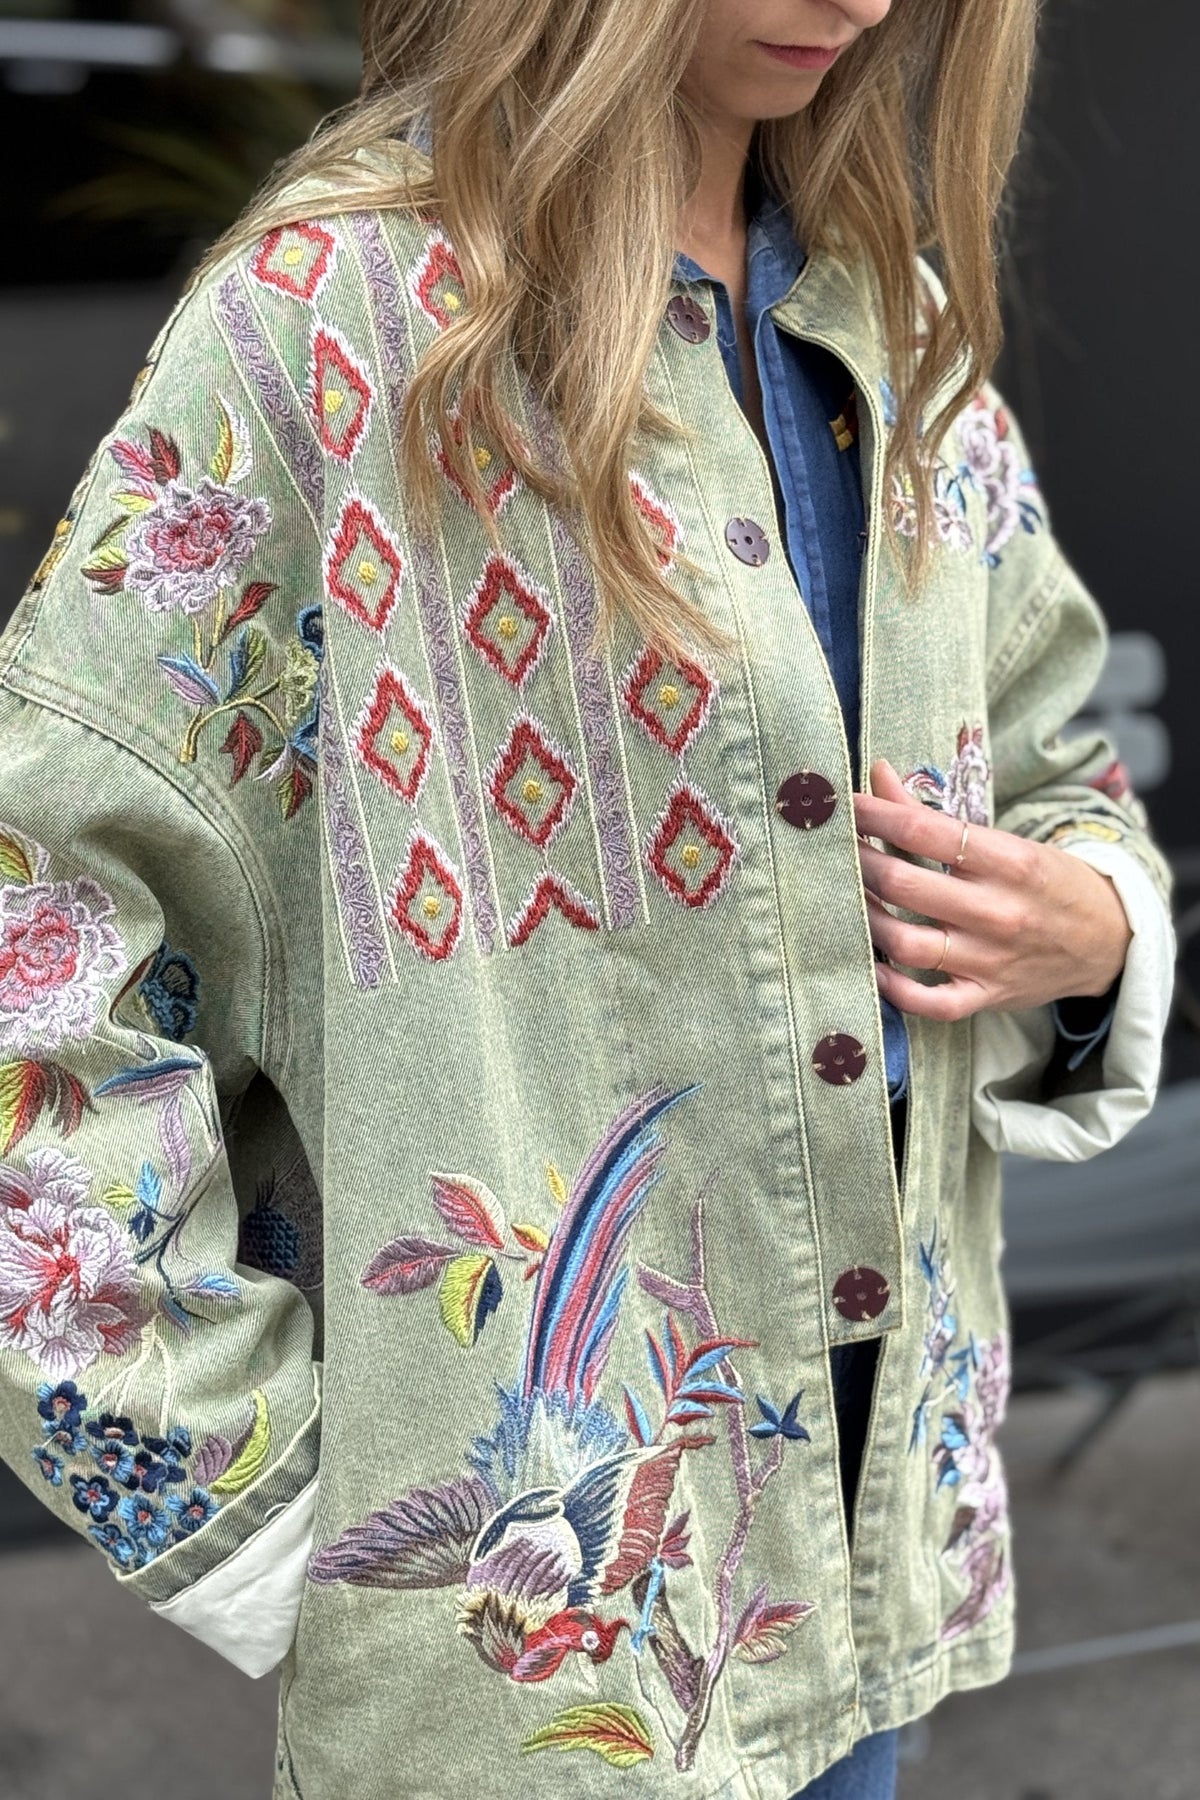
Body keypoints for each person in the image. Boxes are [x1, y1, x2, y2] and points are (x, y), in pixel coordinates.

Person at [0, 2, 1176, 1796]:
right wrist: (248, 1507)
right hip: (539, 1668)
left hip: (871, 1558)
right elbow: (36, 939)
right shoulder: (338, 325)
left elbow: (1049, 753)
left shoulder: (889, 317)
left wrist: (1090, 919)